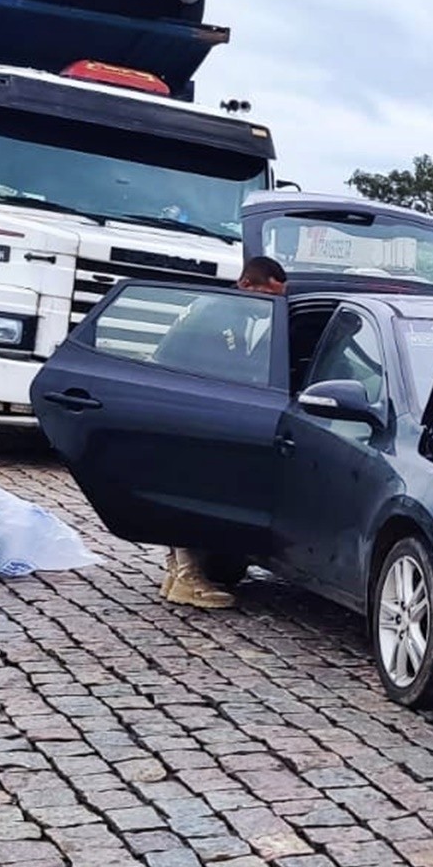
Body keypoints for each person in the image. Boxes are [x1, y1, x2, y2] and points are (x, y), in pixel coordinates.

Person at [158, 257, 288, 609]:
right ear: (247, 284)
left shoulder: (226, 309)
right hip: (186, 414)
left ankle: (177, 572)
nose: (273, 305)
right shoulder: (221, 316)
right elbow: (232, 372)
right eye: (269, 294)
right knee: (190, 491)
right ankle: (188, 577)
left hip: (182, 408)